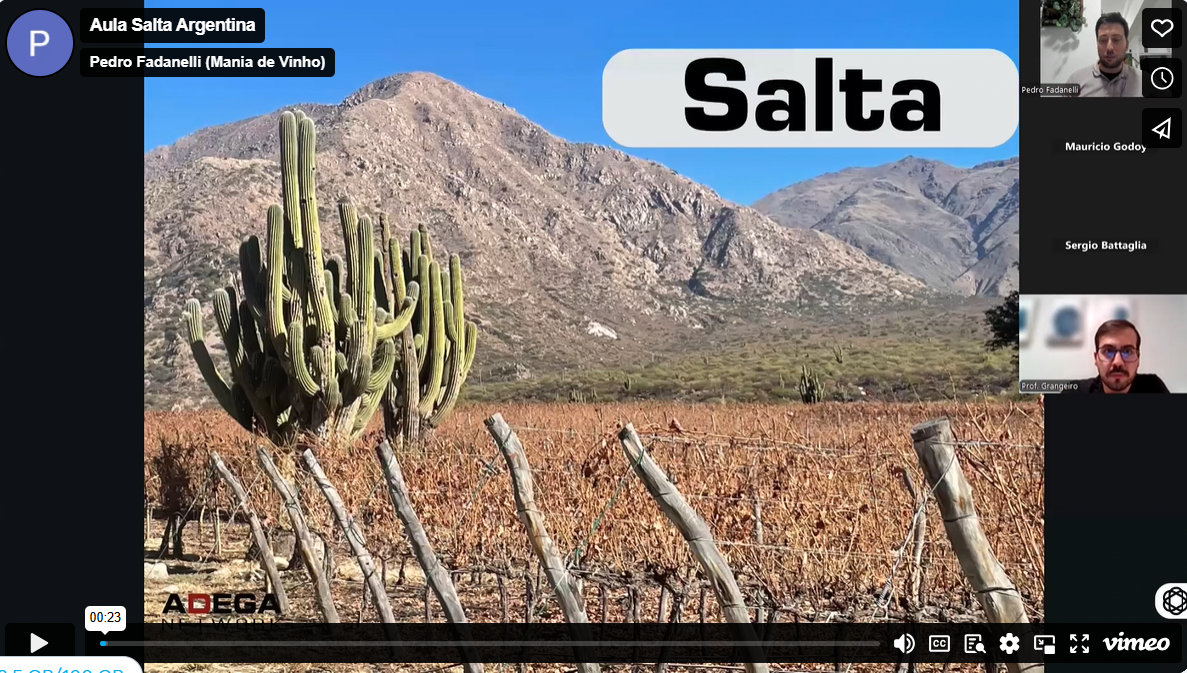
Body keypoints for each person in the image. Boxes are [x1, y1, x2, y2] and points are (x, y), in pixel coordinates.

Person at [1061, 319, 1170, 393]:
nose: (1118, 362)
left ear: (1138, 359)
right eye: (1108, 351)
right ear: (1096, 358)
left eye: (1128, 351)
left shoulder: (1154, 388)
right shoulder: (1074, 391)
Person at [1065, 13, 1143, 97]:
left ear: (1126, 45)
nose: (1109, 48)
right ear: (1097, 44)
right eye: (1103, 40)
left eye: (1116, 39)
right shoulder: (1075, 81)